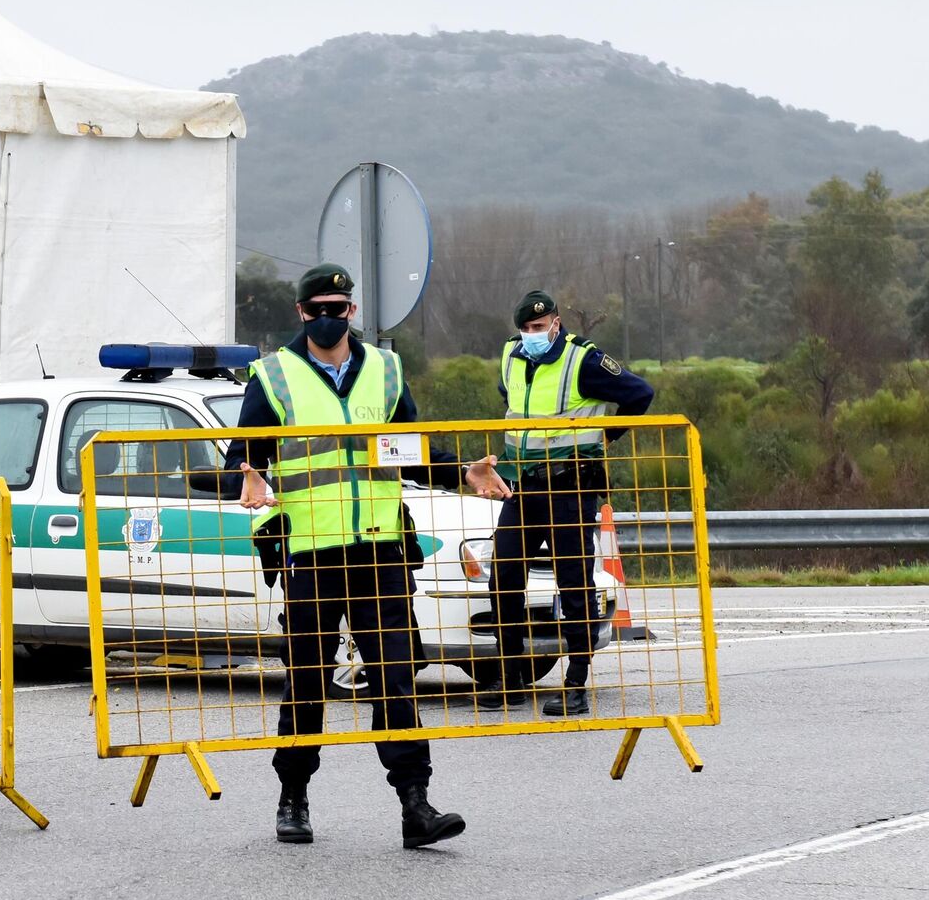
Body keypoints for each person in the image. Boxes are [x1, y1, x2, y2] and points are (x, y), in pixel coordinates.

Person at [227, 262, 494, 849]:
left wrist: (461, 473)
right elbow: (240, 464)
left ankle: (416, 806)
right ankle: (293, 798)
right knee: (307, 683)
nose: (328, 318)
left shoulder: (386, 370)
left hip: (380, 552)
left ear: (354, 311)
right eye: (317, 308)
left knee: (397, 682)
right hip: (312, 555)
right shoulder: (273, 378)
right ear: (301, 312)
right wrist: (248, 476)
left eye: (339, 308)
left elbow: (411, 452)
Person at [465, 289, 654, 717]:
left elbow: (640, 394)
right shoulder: (511, 354)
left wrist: (603, 438)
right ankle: (510, 674)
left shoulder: (582, 359)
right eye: (526, 329)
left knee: (573, 585)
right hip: (524, 487)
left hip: (570, 487)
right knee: (504, 577)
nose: (533, 335)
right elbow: (510, 398)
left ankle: (575, 682)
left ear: (556, 321)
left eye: (539, 327)